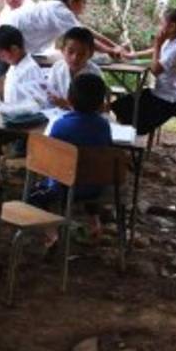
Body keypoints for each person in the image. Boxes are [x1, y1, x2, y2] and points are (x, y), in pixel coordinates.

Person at [30, 74, 114, 238]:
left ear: (69, 98)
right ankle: (94, 222)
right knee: (87, 176)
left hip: (63, 187)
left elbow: (49, 160)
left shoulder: (60, 125)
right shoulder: (104, 126)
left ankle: (51, 231)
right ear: (101, 103)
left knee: (33, 195)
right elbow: (107, 150)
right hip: (95, 187)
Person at [114, 8, 176, 135]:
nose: (160, 26)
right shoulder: (173, 41)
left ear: (172, 26)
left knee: (129, 113)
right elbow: (155, 51)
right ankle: (122, 138)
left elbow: (155, 70)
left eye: (162, 23)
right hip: (160, 93)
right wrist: (134, 55)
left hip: (168, 101)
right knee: (120, 105)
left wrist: (158, 44)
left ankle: (127, 141)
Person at [10, 0, 125, 58]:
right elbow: (84, 38)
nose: (85, 6)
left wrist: (114, 46)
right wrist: (110, 51)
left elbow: (86, 31)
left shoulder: (56, 8)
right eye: (83, 2)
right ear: (72, 1)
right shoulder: (62, 12)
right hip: (9, 46)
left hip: (13, 46)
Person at [0, 25, 49, 109]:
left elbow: (38, 103)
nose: (1, 59)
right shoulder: (14, 65)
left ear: (14, 49)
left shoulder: (29, 70)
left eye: (2, 55)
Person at [47, 26, 104, 110]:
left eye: (82, 54)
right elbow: (50, 92)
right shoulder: (57, 67)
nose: (75, 58)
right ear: (62, 50)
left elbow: (97, 107)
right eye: (70, 52)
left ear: (91, 54)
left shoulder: (94, 73)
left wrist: (67, 104)